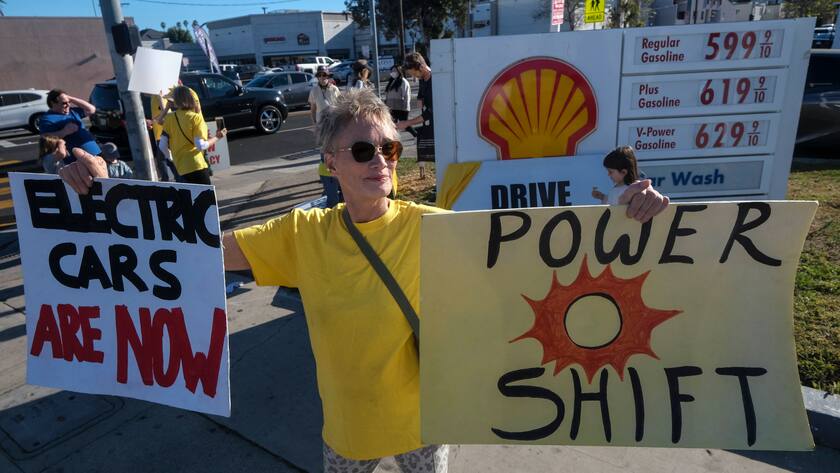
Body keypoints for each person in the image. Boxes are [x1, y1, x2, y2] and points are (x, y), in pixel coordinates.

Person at [58, 88, 670, 473]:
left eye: (390, 149)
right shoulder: (302, 233)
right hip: (347, 430)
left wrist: (627, 210)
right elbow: (200, 250)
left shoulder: (437, 226)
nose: (381, 160)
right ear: (330, 162)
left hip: (428, 421)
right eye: (362, 151)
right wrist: (104, 192)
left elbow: (552, 252)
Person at [158, 86, 226, 185]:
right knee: (206, 199)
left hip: (181, 168)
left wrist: (171, 158)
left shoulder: (169, 118)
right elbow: (200, 145)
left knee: (189, 199)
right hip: (196, 165)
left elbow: (162, 145)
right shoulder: (195, 118)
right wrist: (217, 137)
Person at [309, 65, 343, 207]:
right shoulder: (314, 90)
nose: (323, 78)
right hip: (321, 126)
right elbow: (313, 108)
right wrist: (314, 123)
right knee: (323, 154)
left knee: (335, 152)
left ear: (329, 77)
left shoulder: (334, 89)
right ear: (317, 77)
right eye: (320, 76)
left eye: (325, 75)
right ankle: (327, 183)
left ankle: (338, 181)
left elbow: (341, 106)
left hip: (333, 125)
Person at [396, 53, 434, 179]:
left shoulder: (435, 80)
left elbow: (430, 113)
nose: (413, 77)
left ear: (421, 67)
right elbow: (421, 98)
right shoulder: (423, 79)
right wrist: (420, 98)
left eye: (414, 73)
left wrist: (407, 123)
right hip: (430, 124)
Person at [38, 89, 101, 161]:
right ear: (53, 103)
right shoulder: (47, 119)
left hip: (95, 153)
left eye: (69, 102)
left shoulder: (72, 111)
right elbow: (45, 137)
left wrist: (70, 98)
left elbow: (91, 109)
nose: (68, 105)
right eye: (64, 103)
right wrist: (64, 131)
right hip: (78, 159)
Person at [384, 65, 416, 138]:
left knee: (406, 125)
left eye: (394, 70)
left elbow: (406, 96)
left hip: (401, 108)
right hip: (391, 107)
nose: (393, 72)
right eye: (391, 71)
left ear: (399, 71)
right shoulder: (391, 81)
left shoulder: (403, 81)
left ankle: (416, 135)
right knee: (391, 125)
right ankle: (393, 139)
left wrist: (406, 108)